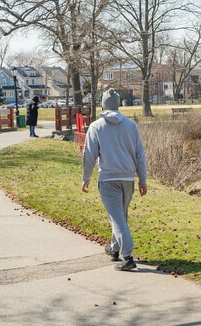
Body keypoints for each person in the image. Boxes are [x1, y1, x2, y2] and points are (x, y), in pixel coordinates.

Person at [81, 88, 147, 271]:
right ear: (118, 104)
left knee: (117, 218)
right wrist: (143, 179)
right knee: (119, 216)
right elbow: (140, 154)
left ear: (103, 104)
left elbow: (89, 155)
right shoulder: (131, 125)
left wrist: (85, 178)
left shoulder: (96, 126)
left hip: (108, 179)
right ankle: (114, 249)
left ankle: (127, 256)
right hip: (128, 179)